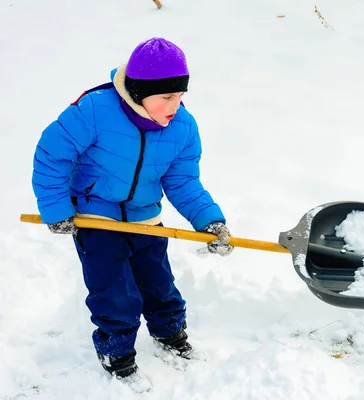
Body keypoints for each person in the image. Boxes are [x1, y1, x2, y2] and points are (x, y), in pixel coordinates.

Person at [31, 37, 233, 381]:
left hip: (145, 218)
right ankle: (117, 351)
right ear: (139, 92)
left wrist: (209, 220)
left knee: (159, 284)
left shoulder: (183, 127)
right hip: (96, 216)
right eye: (167, 96)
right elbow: (53, 155)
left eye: (181, 95)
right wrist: (56, 209)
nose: (175, 105)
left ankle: (170, 332)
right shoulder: (94, 109)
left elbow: (183, 181)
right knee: (114, 290)